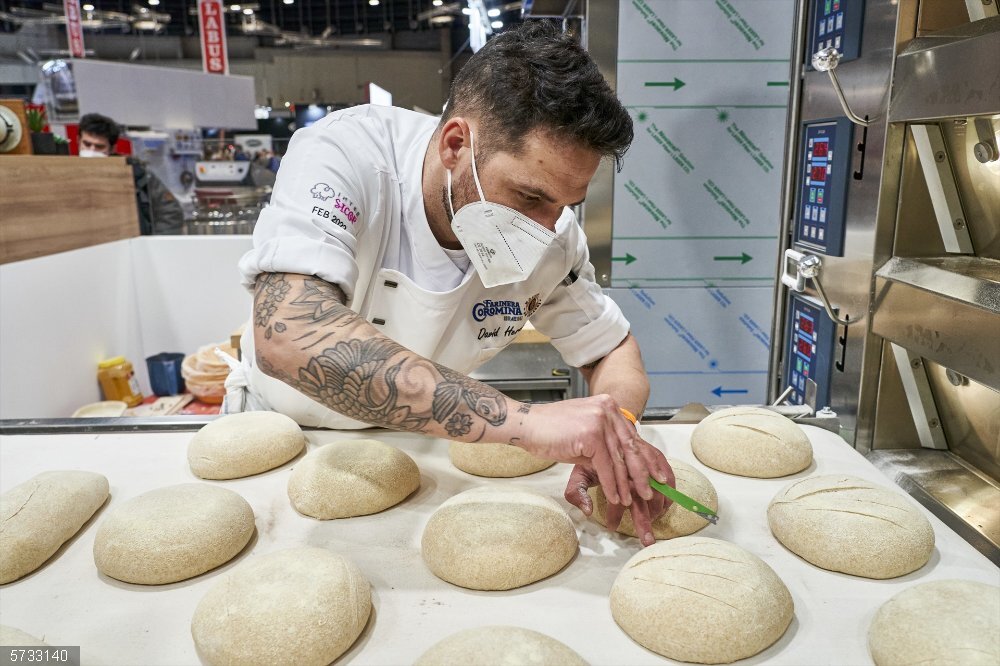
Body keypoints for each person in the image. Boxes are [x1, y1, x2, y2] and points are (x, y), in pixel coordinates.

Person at [228, 21, 675, 546]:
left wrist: (617, 430)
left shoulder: (555, 235)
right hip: (286, 436)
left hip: (424, 448)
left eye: (564, 205)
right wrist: (529, 425)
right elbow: (288, 334)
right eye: (530, 197)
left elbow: (610, 348)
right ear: (456, 144)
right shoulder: (348, 156)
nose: (546, 226)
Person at [78, 113, 184, 235]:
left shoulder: (136, 174)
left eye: (99, 147)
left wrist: (155, 244)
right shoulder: (64, 174)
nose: (91, 151)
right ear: (78, 141)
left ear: (112, 149)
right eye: (87, 144)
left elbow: (170, 211)